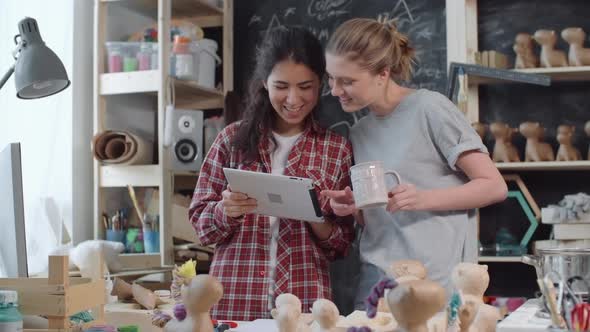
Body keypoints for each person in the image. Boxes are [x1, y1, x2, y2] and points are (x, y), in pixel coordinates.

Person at [320, 18, 508, 307]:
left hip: (436, 282)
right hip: (377, 280)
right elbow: (379, 217)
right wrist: (354, 207)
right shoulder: (360, 132)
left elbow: (494, 186)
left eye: (347, 81)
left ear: (382, 74)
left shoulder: (429, 109)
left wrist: (422, 198)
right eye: (332, 78)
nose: (335, 90)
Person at [189, 27, 355, 321]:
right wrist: (226, 210)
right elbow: (202, 228)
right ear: (264, 82)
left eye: (306, 86)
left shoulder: (336, 149)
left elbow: (342, 244)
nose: (293, 99)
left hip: (306, 305)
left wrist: (316, 219)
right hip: (234, 300)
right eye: (281, 86)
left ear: (321, 84)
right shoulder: (231, 140)